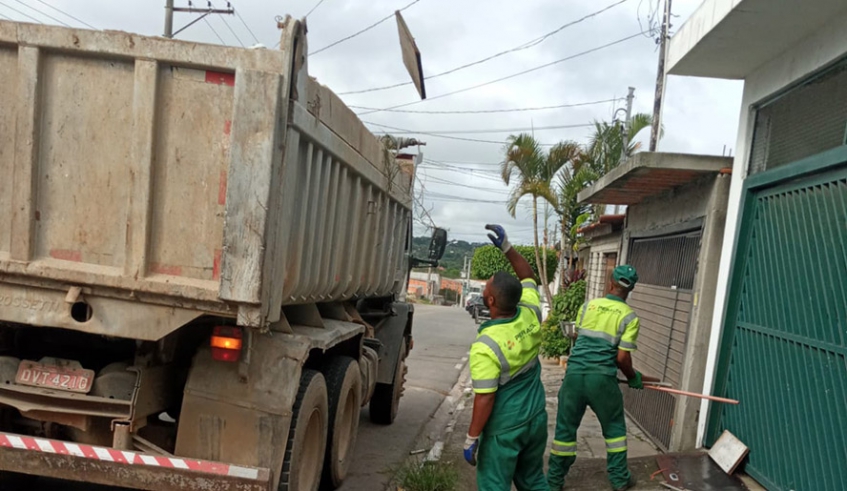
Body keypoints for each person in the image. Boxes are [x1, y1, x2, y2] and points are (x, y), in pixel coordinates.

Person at [463, 224, 548, 491]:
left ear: (489, 301)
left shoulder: (486, 345)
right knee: (533, 481)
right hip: (536, 417)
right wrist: (507, 248)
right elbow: (529, 276)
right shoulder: (530, 312)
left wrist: (472, 437)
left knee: (493, 485)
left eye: (485, 288)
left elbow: (486, 397)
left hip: (505, 429)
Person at [547, 265, 643, 491]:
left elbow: (582, 340)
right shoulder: (629, 317)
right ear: (631, 290)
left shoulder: (588, 306)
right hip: (601, 380)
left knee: (565, 432)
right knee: (614, 430)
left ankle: (553, 481)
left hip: (574, 376)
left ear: (610, 283)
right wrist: (633, 377)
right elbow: (621, 358)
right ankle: (619, 479)